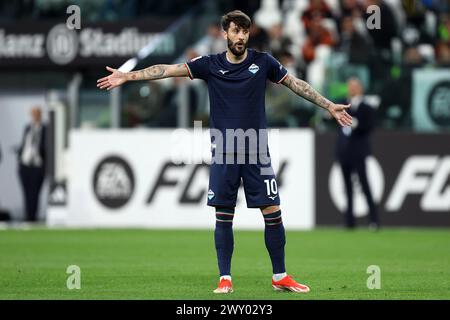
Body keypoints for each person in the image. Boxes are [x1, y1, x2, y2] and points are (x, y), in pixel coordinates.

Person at [97, 10, 352, 294]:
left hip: (256, 151)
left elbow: (296, 84)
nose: (240, 36)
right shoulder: (209, 65)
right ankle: (225, 278)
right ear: (225, 34)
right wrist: (127, 76)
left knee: (272, 211)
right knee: (224, 213)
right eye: (235, 31)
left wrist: (329, 105)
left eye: (244, 31)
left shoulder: (263, 62)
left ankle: (280, 276)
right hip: (225, 151)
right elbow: (167, 69)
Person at [335, 78, 379, 230]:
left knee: (365, 185)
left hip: (358, 152)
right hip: (344, 151)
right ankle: (349, 221)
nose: (352, 89)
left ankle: (374, 220)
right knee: (347, 187)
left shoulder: (367, 107)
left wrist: (355, 123)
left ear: (361, 88)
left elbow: (369, 126)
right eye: (350, 86)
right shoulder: (341, 104)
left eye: (354, 86)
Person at [17, 106, 47, 222]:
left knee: (35, 193)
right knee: (26, 192)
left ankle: (33, 218)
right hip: (25, 165)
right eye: (32, 114)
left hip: (37, 165)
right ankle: (27, 217)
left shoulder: (44, 129)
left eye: (36, 113)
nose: (34, 116)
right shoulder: (27, 128)